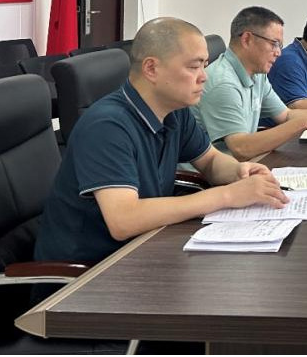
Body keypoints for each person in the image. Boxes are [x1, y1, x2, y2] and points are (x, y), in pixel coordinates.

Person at [34, 18, 289, 266]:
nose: (204, 77)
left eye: (204, 65)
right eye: (194, 67)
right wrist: (227, 195)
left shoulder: (174, 110)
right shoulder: (106, 126)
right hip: (89, 271)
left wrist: (239, 171)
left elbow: (210, 160)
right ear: (151, 69)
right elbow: (123, 220)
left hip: (144, 247)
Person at [193, 6, 307, 162]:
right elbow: (241, 148)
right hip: (216, 172)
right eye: (274, 43)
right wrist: (305, 122)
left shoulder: (257, 74)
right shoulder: (223, 83)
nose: (278, 52)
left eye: (279, 46)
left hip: (246, 163)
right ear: (247, 39)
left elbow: (285, 115)